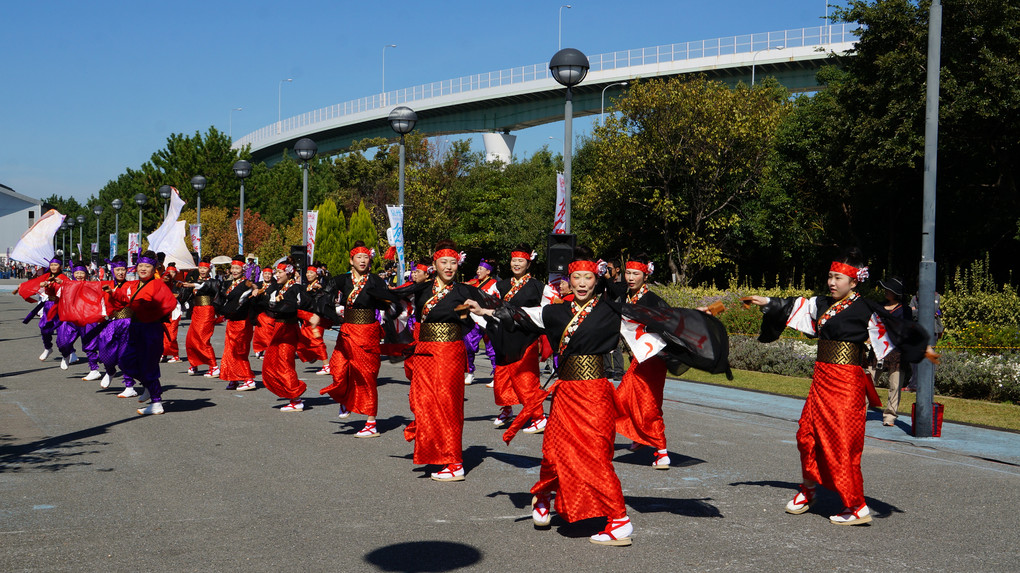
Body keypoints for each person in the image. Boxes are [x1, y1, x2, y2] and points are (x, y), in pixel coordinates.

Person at [746, 248, 935, 526]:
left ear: (854, 281)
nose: (831, 283)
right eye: (830, 277)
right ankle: (808, 490)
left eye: (838, 278)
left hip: (846, 385)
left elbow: (897, 330)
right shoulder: (821, 303)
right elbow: (792, 307)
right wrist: (766, 301)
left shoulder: (866, 308)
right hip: (821, 380)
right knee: (806, 436)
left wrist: (923, 348)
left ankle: (856, 506)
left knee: (842, 445)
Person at [389, 241, 483, 481]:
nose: (449, 267)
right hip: (424, 353)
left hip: (449, 353)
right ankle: (436, 451)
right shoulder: (421, 289)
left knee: (448, 405)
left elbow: (473, 320)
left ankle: (454, 461)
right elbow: (396, 301)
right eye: (444, 262)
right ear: (434, 264)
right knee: (423, 402)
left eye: (453, 262)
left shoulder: (464, 291)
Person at [317, 242, 391, 437]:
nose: (363, 261)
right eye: (359, 257)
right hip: (347, 330)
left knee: (367, 376)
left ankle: (371, 422)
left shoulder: (375, 280)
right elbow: (325, 295)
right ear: (351, 260)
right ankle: (346, 399)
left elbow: (388, 304)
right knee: (339, 368)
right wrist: (332, 312)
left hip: (368, 331)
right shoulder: (342, 279)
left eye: (366, 257)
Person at [613, 254, 673, 468]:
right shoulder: (624, 296)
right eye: (628, 273)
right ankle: (640, 437)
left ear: (645, 275)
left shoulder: (653, 300)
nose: (630, 277)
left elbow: (670, 325)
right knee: (627, 400)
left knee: (648, 405)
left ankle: (662, 451)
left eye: (635, 274)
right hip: (638, 359)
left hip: (654, 359)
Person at [105, 250, 179, 415]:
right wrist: (113, 294)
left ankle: (156, 402)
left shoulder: (158, 284)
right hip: (135, 328)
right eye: (141, 266)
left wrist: (150, 311)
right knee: (125, 361)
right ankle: (148, 386)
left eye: (147, 266)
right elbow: (128, 300)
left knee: (148, 365)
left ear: (154, 269)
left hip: (150, 329)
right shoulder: (135, 285)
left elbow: (170, 303)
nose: (143, 269)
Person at [486, 246, 548, 434]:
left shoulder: (539, 287)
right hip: (504, 336)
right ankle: (507, 409)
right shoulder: (501, 285)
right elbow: (489, 305)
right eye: (514, 260)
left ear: (528, 263)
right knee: (502, 374)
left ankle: (539, 417)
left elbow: (548, 311)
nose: (517, 264)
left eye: (521, 261)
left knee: (525, 377)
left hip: (526, 337)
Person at [252, 260, 307, 411]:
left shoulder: (296, 288)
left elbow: (301, 306)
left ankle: (296, 399)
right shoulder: (279, 287)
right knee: (273, 361)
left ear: (289, 272)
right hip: (279, 328)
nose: (277, 275)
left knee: (284, 362)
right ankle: (290, 393)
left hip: (288, 328)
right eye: (276, 272)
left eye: (279, 272)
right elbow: (263, 292)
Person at [868, 277, 912, 426]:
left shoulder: (904, 310)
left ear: (896, 293)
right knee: (868, 382)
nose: (886, 291)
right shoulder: (878, 306)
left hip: (897, 352)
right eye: (885, 289)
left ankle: (890, 416)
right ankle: (859, 411)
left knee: (895, 384)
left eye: (889, 289)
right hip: (877, 350)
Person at [95, 257, 137, 392]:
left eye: (123, 269)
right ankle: (110, 371)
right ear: (112, 270)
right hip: (111, 323)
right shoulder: (105, 285)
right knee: (104, 350)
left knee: (125, 354)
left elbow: (129, 298)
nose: (121, 272)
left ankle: (129, 386)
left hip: (128, 323)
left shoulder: (131, 285)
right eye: (118, 269)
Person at [216, 255, 256, 391]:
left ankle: (248, 379)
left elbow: (254, 289)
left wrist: (255, 289)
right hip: (231, 321)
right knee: (229, 351)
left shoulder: (246, 283)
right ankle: (233, 378)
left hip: (242, 321)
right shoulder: (228, 283)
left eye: (237, 268)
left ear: (243, 269)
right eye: (233, 268)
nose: (234, 270)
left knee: (238, 351)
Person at [17, 257, 67, 363]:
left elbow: (70, 288)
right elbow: (34, 282)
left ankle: (68, 353)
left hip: (61, 306)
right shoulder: (46, 276)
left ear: (60, 266)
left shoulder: (63, 277)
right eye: (52, 265)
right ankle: (48, 348)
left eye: (56, 265)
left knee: (63, 332)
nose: (53, 267)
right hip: (49, 305)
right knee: (44, 328)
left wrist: (62, 283)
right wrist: (23, 286)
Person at [463, 258, 499, 386]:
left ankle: (496, 375)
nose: (478, 271)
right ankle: (470, 372)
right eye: (478, 269)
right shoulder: (473, 283)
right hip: (473, 320)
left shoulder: (494, 284)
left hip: (487, 319)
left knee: (491, 348)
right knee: (468, 345)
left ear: (488, 271)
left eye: (481, 269)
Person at [183, 256, 220, 377]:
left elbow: (209, 286)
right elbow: (186, 294)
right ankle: (194, 363)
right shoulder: (194, 280)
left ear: (209, 269)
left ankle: (213, 366)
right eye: (200, 268)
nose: (202, 270)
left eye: (205, 268)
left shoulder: (213, 282)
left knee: (202, 339)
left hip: (207, 311)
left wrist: (193, 284)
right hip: (196, 311)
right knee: (190, 339)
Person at [297, 262, 330, 376]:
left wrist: (318, 290)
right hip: (306, 318)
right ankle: (313, 356)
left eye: (311, 273)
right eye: (307, 272)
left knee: (317, 341)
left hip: (316, 318)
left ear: (317, 275)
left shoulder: (319, 287)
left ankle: (326, 365)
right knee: (302, 341)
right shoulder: (306, 286)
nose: (308, 275)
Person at [161, 263, 184, 363]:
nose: (171, 274)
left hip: (174, 310)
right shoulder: (162, 283)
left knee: (172, 334)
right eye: (169, 272)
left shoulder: (178, 283)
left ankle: (175, 354)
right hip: (164, 310)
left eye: (173, 272)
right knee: (163, 333)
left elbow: (181, 295)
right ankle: (164, 353)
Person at [251, 267, 275, 359]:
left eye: (269, 274)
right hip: (260, 311)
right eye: (266, 274)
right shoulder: (258, 285)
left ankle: (269, 349)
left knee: (268, 332)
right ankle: (259, 348)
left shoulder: (275, 285)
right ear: (263, 274)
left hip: (271, 311)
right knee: (259, 332)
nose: (267, 276)